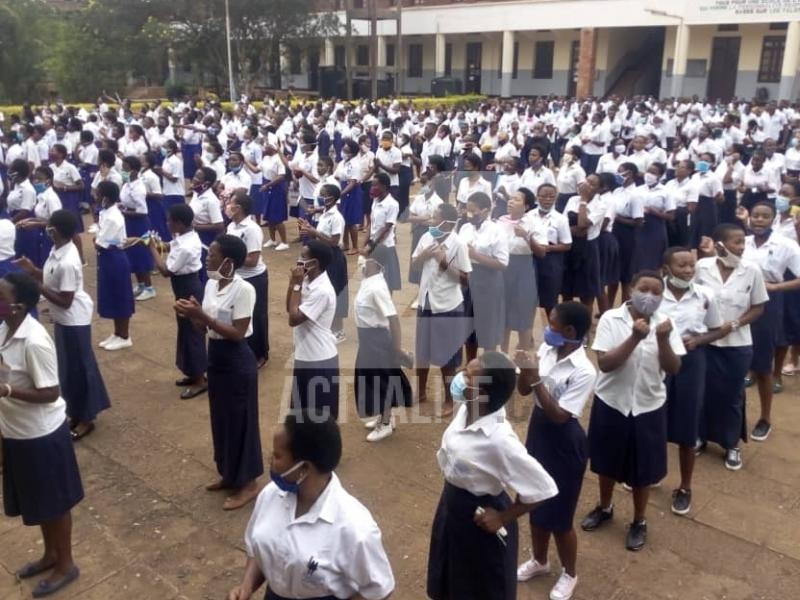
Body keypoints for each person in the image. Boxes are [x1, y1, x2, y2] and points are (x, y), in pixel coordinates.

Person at [427, 351, 558, 600]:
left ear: (484, 393)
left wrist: (503, 517)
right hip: (452, 507)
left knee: (478, 587)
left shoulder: (499, 441)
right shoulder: (466, 409)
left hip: (478, 521)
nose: (460, 378)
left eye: (468, 376)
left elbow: (543, 487)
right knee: (451, 579)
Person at [227, 412, 395, 600]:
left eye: (277, 455)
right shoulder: (270, 495)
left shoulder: (354, 528)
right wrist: (246, 586)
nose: (270, 461)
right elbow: (258, 550)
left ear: (304, 468)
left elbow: (380, 589)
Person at [582, 270, 684, 551]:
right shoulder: (610, 319)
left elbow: (674, 368)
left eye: (656, 292)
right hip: (612, 401)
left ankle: (639, 520)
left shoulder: (666, 324)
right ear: (630, 289)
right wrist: (634, 339)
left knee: (643, 470)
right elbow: (605, 363)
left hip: (648, 405)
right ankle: (605, 506)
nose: (649, 296)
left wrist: (662, 340)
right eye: (644, 289)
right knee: (605, 462)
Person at [0, 271, 83, 598]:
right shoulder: (6, 329)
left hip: (42, 434)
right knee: (39, 500)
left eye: (1, 298)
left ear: (18, 305)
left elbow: (50, 392)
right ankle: (50, 554)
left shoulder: (34, 340)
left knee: (56, 502)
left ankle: (66, 563)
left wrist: (6, 390)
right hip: (16, 430)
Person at [514, 302, 596, 600]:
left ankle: (570, 573)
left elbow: (561, 415)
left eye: (552, 324)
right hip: (539, 430)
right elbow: (524, 391)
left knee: (560, 515)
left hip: (564, 441)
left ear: (570, 331)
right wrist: (525, 369)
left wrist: (534, 377)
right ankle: (539, 560)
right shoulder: (548, 352)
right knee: (533, 499)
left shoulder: (585, 370)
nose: (547, 329)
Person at [175, 234, 262, 510]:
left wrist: (202, 316)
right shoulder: (212, 285)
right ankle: (228, 474)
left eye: (211, 256)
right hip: (216, 357)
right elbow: (206, 328)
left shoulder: (244, 290)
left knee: (241, 421)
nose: (206, 259)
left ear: (228, 262)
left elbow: (237, 332)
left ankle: (248, 483)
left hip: (237, 361)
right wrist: (192, 316)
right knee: (221, 419)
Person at [15, 209, 111, 441]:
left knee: (80, 368)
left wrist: (37, 286)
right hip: (63, 319)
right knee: (69, 369)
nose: (46, 229)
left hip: (73, 320)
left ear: (55, 231)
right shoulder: (57, 249)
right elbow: (50, 280)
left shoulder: (68, 261)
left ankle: (87, 416)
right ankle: (77, 410)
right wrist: (33, 271)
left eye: (50, 226)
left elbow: (65, 301)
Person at [695, 225, 767, 470]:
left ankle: (732, 443)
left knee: (732, 395)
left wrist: (734, 324)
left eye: (742, 243)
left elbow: (758, 307)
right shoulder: (702, 267)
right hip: (705, 341)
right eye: (736, 243)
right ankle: (700, 436)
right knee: (703, 391)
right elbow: (692, 296)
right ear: (720, 245)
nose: (741, 247)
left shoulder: (751, 271)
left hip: (737, 344)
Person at [658, 247, 724, 515]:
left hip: (691, 363)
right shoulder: (652, 294)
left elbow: (717, 329)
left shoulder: (705, 296)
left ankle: (685, 486)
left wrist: (698, 340)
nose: (687, 271)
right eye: (681, 266)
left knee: (687, 425)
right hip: (656, 362)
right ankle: (652, 472)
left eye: (691, 266)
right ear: (665, 269)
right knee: (654, 419)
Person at [741, 202, 800, 441]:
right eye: (755, 215)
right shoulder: (741, 242)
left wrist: (776, 286)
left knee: (764, 366)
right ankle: (733, 417)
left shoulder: (786, 245)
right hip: (739, 301)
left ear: (773, 219)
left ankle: (765, 418)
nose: (759, 220)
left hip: (767, 303)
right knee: (736, 358)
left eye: (765, 216)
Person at [412, 203, 471, 418]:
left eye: (435, 218)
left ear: (447, 222)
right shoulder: (426, 238)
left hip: (447, 305)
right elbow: (415, 265)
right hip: (426, 301)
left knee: (448, 356)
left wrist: (443, 261)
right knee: (422, 351)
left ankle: (449, 399)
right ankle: (420, 392)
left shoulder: (458, 244)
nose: (431, 222)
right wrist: (423, 256)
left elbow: (465, 279)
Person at [148, 203, 208, 400]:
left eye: (170, 220)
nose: (167, 223)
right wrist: (160, 244)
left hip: (187, 287)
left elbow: (166, 271)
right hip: (184, 286)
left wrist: (152, 249)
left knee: (193, 333)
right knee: (185, 331)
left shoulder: (186, 245)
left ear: (180, 223)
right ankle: (192, 372)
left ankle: (200, 380)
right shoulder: (185, 236)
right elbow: (171, 245)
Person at [354, 251, 413, 442]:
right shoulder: (369, 279)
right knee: (371, 378)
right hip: (367, 339)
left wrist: (396, 349)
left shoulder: (377, 287)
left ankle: (386, 423)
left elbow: (393, 319)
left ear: (376, 263)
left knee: (381, 381)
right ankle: (382, 416)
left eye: (366, 258)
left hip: (377, 340)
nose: (362, 260)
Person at [288, 240, 339, 420]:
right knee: (299, 414)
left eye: (303, 257)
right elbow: (290, 307)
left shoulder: (322, 291)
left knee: (319, 419)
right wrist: (294, 283)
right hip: (306, 357)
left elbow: (293, 319)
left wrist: (296, 285)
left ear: (315, 263)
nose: (298, 260)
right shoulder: (309, 279)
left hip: (318, 361)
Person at [460, 191, 509, 361]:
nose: (470, 214)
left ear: (486, 211)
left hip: (489, 282)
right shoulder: (465, 228)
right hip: (468, 281)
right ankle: (470, 365)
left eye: (474, 211)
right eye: (468, 210)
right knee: (469, 327)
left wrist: (474, 255)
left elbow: (502, 263)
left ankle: (488, 368)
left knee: (488, 330)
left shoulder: (497, 231)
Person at [299, 184, 348, 342]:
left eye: (323, 194)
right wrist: (309, 230)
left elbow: (334, 241)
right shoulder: (325, 214)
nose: (320, 197)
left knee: (336, 290)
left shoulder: (336, 217)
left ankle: (339, 330)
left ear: (332, 198)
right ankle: (328, 326)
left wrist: (314, 232)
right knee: (326, 289)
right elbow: (320, 236)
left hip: (333, 257)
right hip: (324, 255)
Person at [226, 193, 269, 368]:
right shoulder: (231, 226)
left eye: (231, 203)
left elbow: (252, 261)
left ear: (240, 208)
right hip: (236, 277)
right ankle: (244, 349)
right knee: (238, 315)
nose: (228, 205)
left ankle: (261, 354)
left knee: (256, 316)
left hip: (254, 278)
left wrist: (230, 258)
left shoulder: (251, 229)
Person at [498, 187, 543, 352]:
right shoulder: (500, 221)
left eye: (516, 199)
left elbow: (542, 252)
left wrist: (526, 235)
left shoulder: (532, 223)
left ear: (526, 206)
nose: (511, 201)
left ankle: (523, 355)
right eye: (510, 198)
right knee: (503, 315)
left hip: (523, 269)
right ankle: (502, 356)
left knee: (523, 314)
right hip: (502, 269)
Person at [94, 180, 135, 351]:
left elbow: (99, 243)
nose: (95, 196)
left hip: (114, 258)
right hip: (107, 257)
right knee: (112, 295)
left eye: (97, 194)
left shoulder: (112, 217)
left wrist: (96, 238)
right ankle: (117, 333)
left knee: (120, 297)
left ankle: (125, 336)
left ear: (105, 197)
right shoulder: (106, 212)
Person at [562, 175, 605, 313]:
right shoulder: (571, 200)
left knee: (586, 294)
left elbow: (582, 223)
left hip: (587, 250)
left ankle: (584, 329)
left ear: (599, 189)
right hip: (569, 247)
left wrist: (584, 201)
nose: (586, 185)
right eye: (586, 180)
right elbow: (563, 224)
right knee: (566, 292)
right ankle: (567, 325)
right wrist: (572, 230)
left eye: (592, 184)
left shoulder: (600, 205)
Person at [528, 183, 572, 318]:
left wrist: (549, 248)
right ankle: (528, 337)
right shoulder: (529, 215)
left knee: (550, 299)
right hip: (531, 259)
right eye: (544, 196)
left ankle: (554, 331)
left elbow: (567, 245)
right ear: (537, 197)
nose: (547, 200)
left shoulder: (560, 219)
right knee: (529, 297)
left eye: (551, 197)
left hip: (551, 260)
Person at [120, 156, 156, 301]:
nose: (123, 170)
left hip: (139, 223)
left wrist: (124, 212)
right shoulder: (128, 184)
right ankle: (141, 284)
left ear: (134, 170)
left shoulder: (139, 187)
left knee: (141, 254)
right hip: (129, 220)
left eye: (125, 168)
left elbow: (142, 211)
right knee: (132, 254)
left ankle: (149, 287)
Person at [608, 163, 644, 305]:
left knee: (626, 274)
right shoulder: (617, 191)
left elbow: (638, 222)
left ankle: (625, 304)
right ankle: (609, 305)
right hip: (614, 232)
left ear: (630, 174)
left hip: (628, 235)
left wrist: (616, 217)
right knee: (613, 272)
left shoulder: (636, 195)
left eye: (621, 172)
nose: (618, 175)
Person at [362, 173, 401, 292]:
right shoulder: (375, 200)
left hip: (385, 247)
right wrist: (364, 244)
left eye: (375, 185)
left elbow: (386, 228)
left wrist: (372, 245)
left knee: (387, 281)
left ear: (384, 187)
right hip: (373, 244)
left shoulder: (392, 204)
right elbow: (372, 225)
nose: (372, 188)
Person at [633, 162, 673, 272]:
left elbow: (671, 216)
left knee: (653, 260)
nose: (649, 174)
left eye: (653, 172)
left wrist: (654, 212)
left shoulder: (665, 191)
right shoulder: (638, 190)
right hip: (639, 226)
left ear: (659, 176)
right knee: (638, 259)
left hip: (655, 227)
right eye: (648, 171)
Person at [189, 166, 225, 285]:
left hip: (205, 240)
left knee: (204, 272)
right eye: (194, 175)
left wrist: (195, 227)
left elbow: (219, 225)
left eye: (198, 177)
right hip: (194, 236)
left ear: (206, 183)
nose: (194, 179)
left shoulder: (211, 200)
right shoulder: (196, 194)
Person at [335, 139, 366, 254]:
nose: (343, 151)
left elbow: (353, 182)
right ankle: (346, 244)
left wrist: (341, 193)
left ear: (352, 152)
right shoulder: (342, 162)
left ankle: (355, 246)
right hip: (343, 189)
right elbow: (337, 175)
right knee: (344, 219)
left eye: (346, 149)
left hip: (352, 192)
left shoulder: (355, 164)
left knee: (352, 221)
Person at [259, 141, 289, 251]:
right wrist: (244, 161)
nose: (265, 147)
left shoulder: (278, 159)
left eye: (267, 146)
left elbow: (281, 176)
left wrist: (267, 185)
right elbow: (257, 169)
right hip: (267, 188)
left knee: (277, 217)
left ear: (273, 148)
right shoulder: (266, 158)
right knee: (269, 216)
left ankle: (284, 242)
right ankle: (272, 239)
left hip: (276, 188)